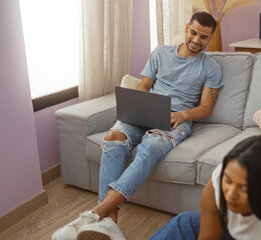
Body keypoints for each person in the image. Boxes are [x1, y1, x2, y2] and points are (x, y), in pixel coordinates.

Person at [52, 11, 222, 240]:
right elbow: (144, 85)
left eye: (203, 37)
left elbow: (206, 108)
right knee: (113, 138)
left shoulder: (210, 67)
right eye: (193, 32)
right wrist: (139, 107)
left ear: (210, 38)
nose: (196, 40)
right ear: (186, 27)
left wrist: (183, 114)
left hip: (176, 120)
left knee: (151, 147)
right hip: (145, 112)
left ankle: (96, 215)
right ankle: (109, 221)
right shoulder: (161, 53)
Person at [150, 135, 261, 240]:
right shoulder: (217, 184)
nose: (230, 194)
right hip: (237, 232)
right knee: (186, 222)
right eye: (228, 181)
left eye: (244, 188)